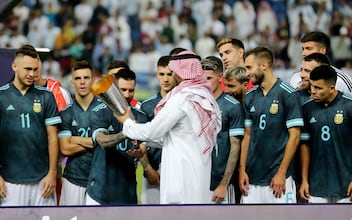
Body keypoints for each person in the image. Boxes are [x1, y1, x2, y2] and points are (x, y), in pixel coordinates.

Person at [114, 50, 222, 204]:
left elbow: (152, 131)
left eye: (174, 71)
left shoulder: (182, 98)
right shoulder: (204, 96)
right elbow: (181, 136)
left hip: (181, 174)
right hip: (198, 173)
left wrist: (127, 122)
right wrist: (147, 143)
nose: (173, 75)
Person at [0, 45, 61, 206]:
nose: (32, 74)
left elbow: (52, 137)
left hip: (42, 181)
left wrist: (52, 173)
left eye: (35, 69)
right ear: (14, 66)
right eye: (27, 69)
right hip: (10, 182)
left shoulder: (47, 97)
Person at [239, 46, 304, 204]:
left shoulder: (288, 94)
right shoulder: (249, 96)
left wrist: (281, 172)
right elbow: (247, 135)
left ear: (264, 66)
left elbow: (295, 136)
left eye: (249, 67)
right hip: (252, 179)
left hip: (278, 179)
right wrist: (242, 170)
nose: (247, 73)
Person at [86, 68, 148, 205]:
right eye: (123, 90)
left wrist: (140, 152)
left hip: (128, 193)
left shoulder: (141, 117)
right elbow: (102, 141)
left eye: (131, 90)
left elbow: (143, 148)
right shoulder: (100, 112)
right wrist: (126, 132)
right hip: (99, 193)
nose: (127, 95)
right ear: (114, 89)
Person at [299, 65, 352, 203]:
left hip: (346, 185)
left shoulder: (349, 105)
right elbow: (305, 146)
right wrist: (304, 180)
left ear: (332, 88)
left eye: (318, 88)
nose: (313, 92)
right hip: (316, 186)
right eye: (312, 86)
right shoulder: (307, 109)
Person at [201, 56, 244, 204]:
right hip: (199, 182)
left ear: (220, 78)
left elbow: (235, 147)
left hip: (221, 184)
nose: (204, 82)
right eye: (202, 78)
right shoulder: (197, 104)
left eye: (209, 78)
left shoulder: (232, 106)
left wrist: (224, 184)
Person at [35, 56, 72, 205]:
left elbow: (67, 129)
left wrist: (55, 165)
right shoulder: (16, 93)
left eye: (35, 65)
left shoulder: (59, 93)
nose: (32, 71)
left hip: (53, 166)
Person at [139, 55, 176, 204]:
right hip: (153, 168)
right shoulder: (147, 106)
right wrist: (147, 169)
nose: (165, 79)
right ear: (156, 75)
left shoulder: (183, 102)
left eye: (169, 74)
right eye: (162, 74)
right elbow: (140, 141)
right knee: (150, 214)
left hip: (176, 169)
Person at [58, 60, 95, 205]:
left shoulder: (105, 110)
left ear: (93, 80)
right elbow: (65, 149)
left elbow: (107, 143)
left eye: (86, 78)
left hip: (99, 181)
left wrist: (74, 139)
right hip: (73, 179)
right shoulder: (66, 113)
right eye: (78, 78)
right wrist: (95, 142)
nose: (82, 82)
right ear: (72, 82)